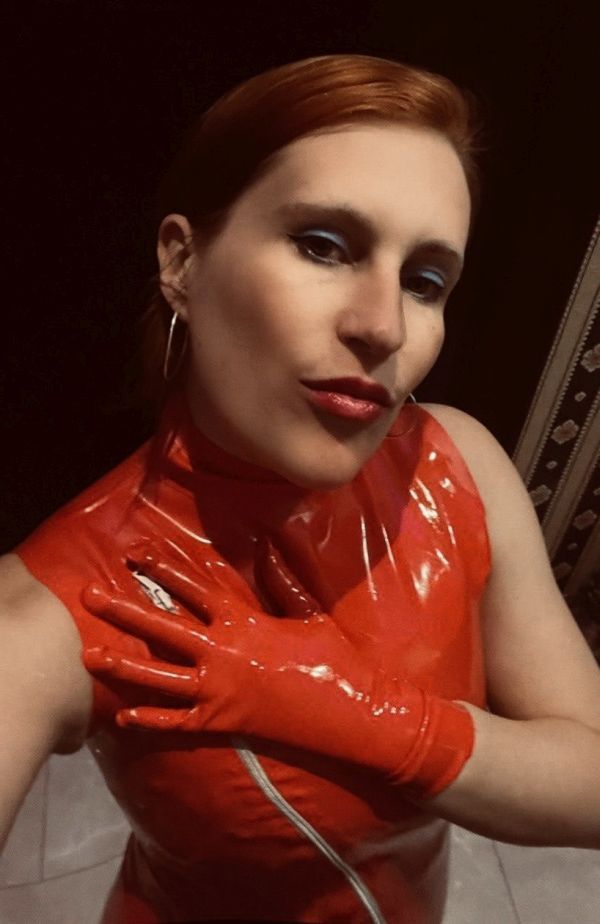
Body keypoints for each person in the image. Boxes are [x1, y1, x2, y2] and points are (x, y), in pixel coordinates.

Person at [1, 53, 600, 924]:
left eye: (424, 281)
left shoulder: (456, 461)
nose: (383, 325)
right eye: (323, 245)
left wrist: (356, 711)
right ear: (183, 261)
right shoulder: (59, 612)